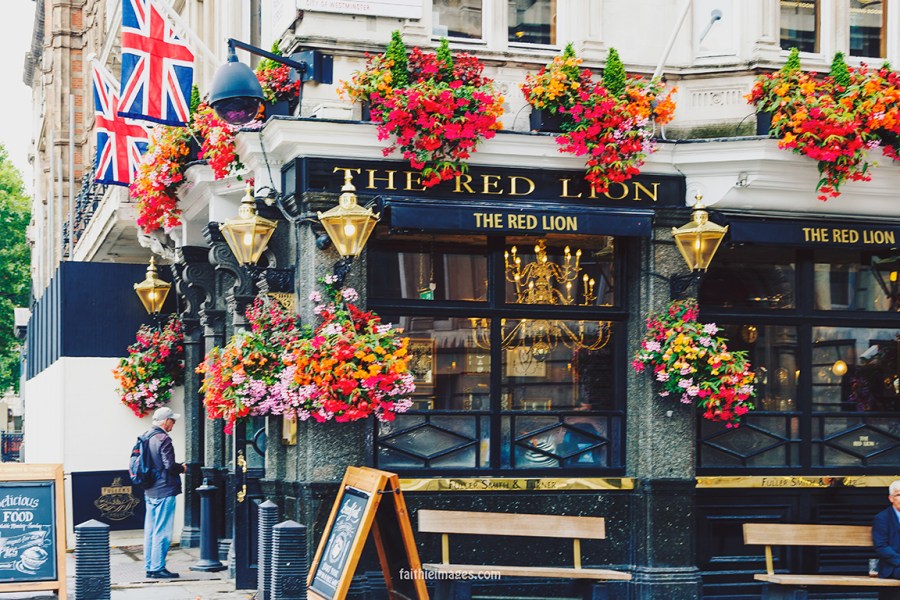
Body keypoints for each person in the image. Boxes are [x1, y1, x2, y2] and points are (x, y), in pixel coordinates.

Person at [143, 407, 186, 579]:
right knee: (163, 530)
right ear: (165, 421)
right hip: (164, 489)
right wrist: (182, 468)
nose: (173, 423)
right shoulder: (163, 439)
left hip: (150, 489)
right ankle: (158, 567)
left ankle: (150, 566)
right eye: (172, 420)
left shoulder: (146, 436)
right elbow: (169, 466)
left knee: (151, 530)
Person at [872, 480, 900, 579]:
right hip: (893, 565)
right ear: (891, 498)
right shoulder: (882, 518)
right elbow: (881, 546)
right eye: (899, 494)